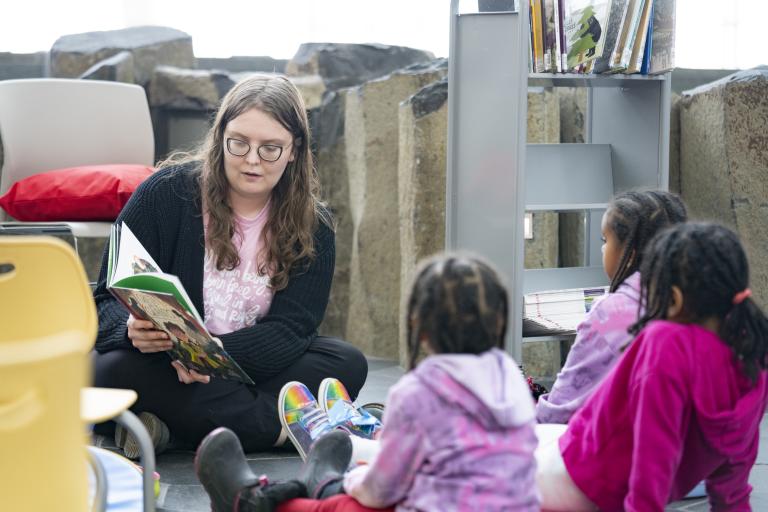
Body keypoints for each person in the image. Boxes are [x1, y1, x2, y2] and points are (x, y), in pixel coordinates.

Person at [92, 74, 368, 457]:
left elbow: (293, 329)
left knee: (346, 363)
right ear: (220, 136)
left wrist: (217, 354)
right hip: (166, 366)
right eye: (239, 143)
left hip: (249, 363)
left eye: (271, 148)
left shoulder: (314, 225)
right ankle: (281, 430)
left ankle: (174, 429)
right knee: (109, 370)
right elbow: (101, 299)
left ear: (295, 150)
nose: (252, 160)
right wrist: (128, 331)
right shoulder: (164, 194)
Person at [195, 254, 540, 511]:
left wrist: (353, 481)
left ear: (418, 324)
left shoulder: (417, 393)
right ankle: (323, 474)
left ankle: (247, 498)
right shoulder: (509, 376)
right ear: (499, 318)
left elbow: (383, 489)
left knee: (346, 502)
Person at [536, 222, 768, 511]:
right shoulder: (754, 354)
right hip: (605, 479)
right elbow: (736, 468)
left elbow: (653, 457)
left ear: (674, 299)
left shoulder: (666, 343)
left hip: (576, 482)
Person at [536, 190, 687, 423]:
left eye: (605, 240)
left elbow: (560, 408)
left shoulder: (611, 313)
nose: (603, 249)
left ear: (630, 254)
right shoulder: (692, 303)